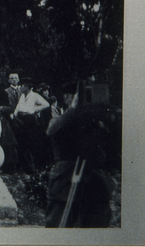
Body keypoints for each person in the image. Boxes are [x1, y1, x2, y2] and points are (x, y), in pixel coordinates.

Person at [45, 82, 119, 228]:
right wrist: (73, 109)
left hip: (94, 181)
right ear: (67, 98)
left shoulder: (95, 121)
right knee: (59, 225)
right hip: (66, 181)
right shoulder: (61, 118)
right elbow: (52, 131)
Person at [14, 77, 50, 172]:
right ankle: (26, 167)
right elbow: (18, 107)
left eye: (24, 86)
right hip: (21, 120)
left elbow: (46, 104)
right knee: (22, 144)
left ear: (28, 87)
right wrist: (15, 114)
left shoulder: (35, 96)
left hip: (30, 121)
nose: (21, 87)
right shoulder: (22, 96)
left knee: (32, 144)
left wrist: (34, 110)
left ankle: (36, 167)